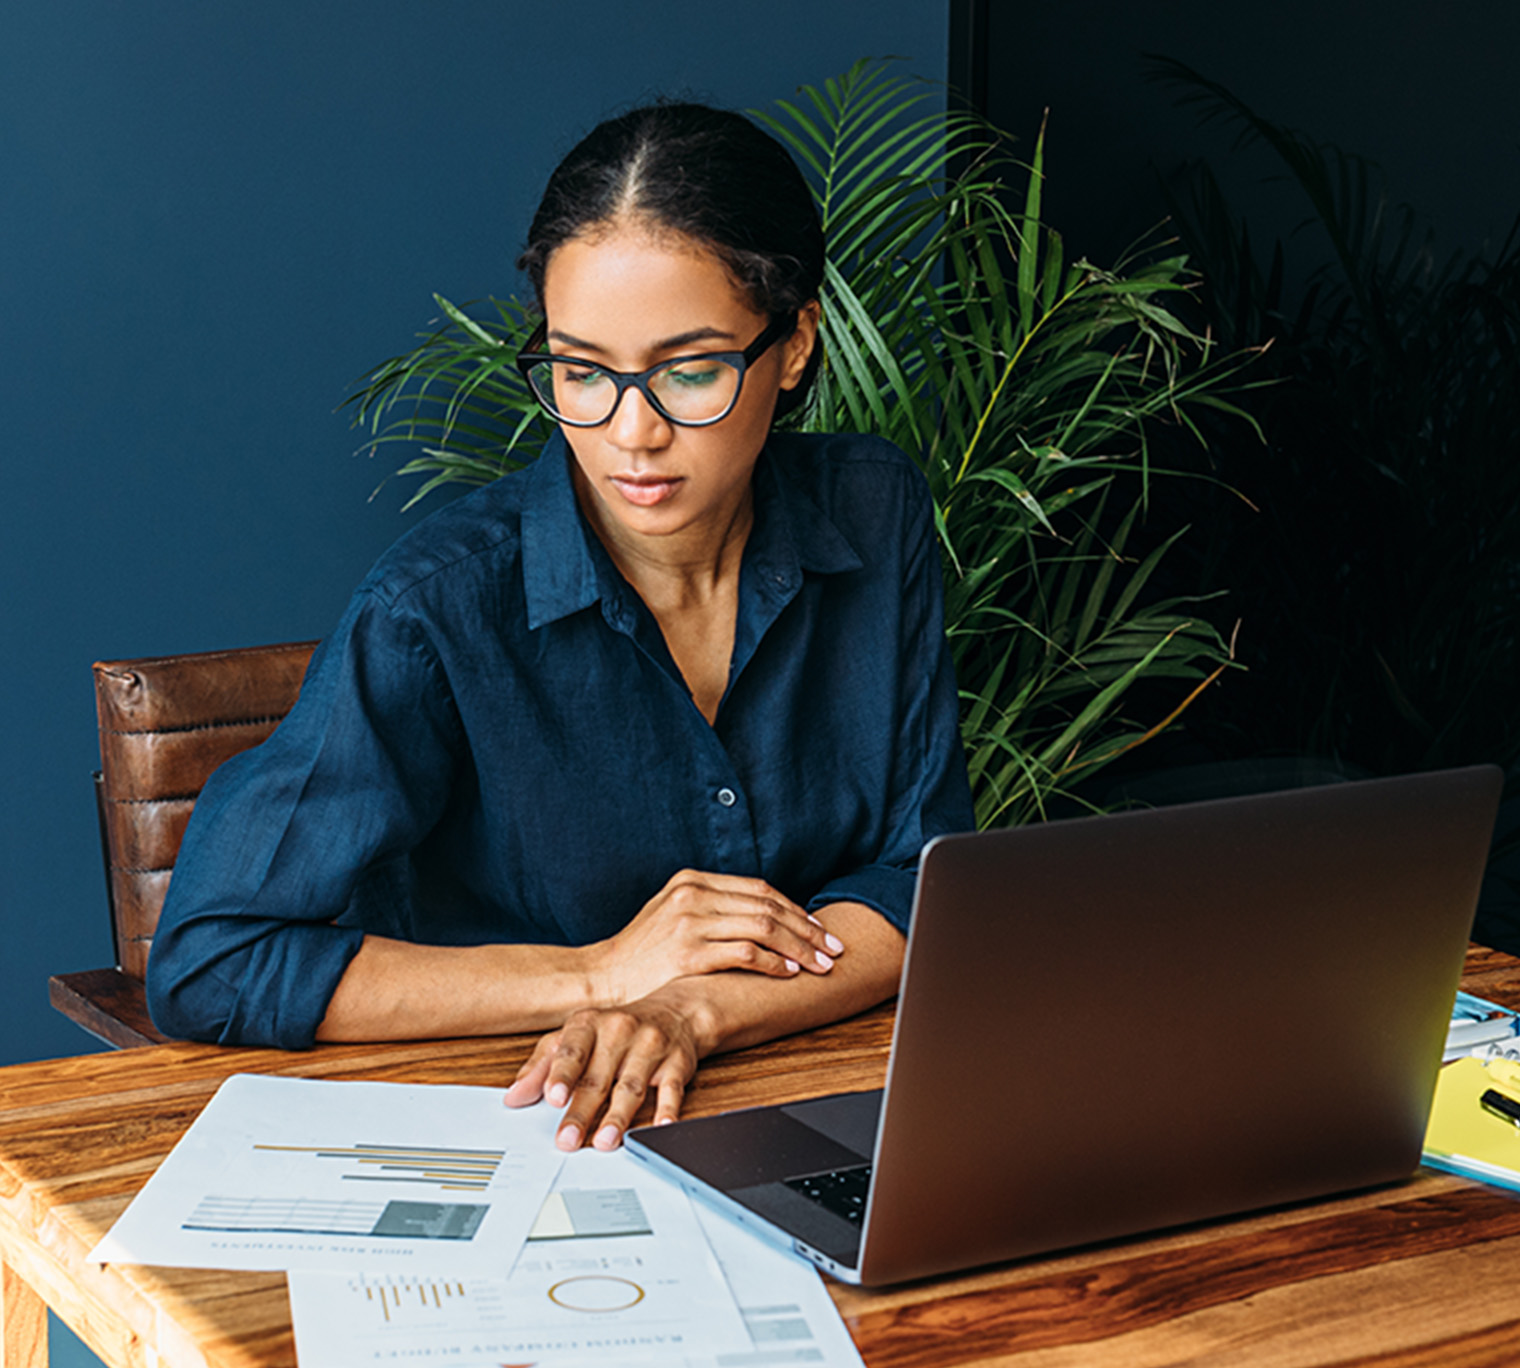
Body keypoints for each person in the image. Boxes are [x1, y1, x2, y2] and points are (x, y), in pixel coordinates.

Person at [146, 101, 974, 1152]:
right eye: (580, 371)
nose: (632, 433)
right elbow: (214, 961)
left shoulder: (873, 510)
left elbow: (920, 880)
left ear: (795, 343)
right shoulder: (434, 607)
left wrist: (687, 1009)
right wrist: (599, 973)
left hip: (799, 1107)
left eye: (688, 370)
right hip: (520, 1133)